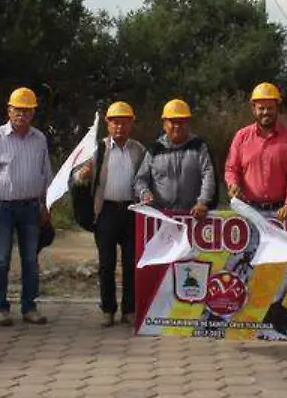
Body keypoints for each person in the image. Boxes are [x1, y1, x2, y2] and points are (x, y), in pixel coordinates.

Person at [0, 87, 53, 326]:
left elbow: (46, 175)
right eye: (17, 109)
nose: (22, 114)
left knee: (30, 259)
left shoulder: (39, 139)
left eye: (27, 110)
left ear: (33, 113)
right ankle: (0, 307)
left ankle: (29, 307)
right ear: (9, 110)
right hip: (2, 208)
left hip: (31, 207)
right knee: (1, 260)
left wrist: (45, 206)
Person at [72, 101, 146, 327]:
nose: (120, 127)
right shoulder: (98, 149)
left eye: (124, 122)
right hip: (105, 213)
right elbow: (75, 177)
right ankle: (108, 310)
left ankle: (129, 310)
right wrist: (83, 175)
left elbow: (146, 178)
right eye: (115, 123)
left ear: (131, 124)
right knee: (106, 264)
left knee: (132, 264)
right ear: (108, 124)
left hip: (132, 212)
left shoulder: (139, 150)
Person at [224, 82, 287, 220]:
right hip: (249, 211)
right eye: (261, 108)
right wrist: (233, 184)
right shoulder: (241, 136)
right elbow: (231, 168)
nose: (266, 112)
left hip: (282, 213)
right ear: (253, 109)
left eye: (270, 108)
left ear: (277, 108)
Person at [134, 99, 217, 217]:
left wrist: (203, 202)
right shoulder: (154, 149)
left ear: (188, 123)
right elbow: (140, 180)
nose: (177, 126)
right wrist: (144, 193)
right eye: (173, 122)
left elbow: (208, 175)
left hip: (193, 215)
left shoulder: (199, 146)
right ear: (164, 124)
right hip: (161, 216)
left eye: (182, 122)